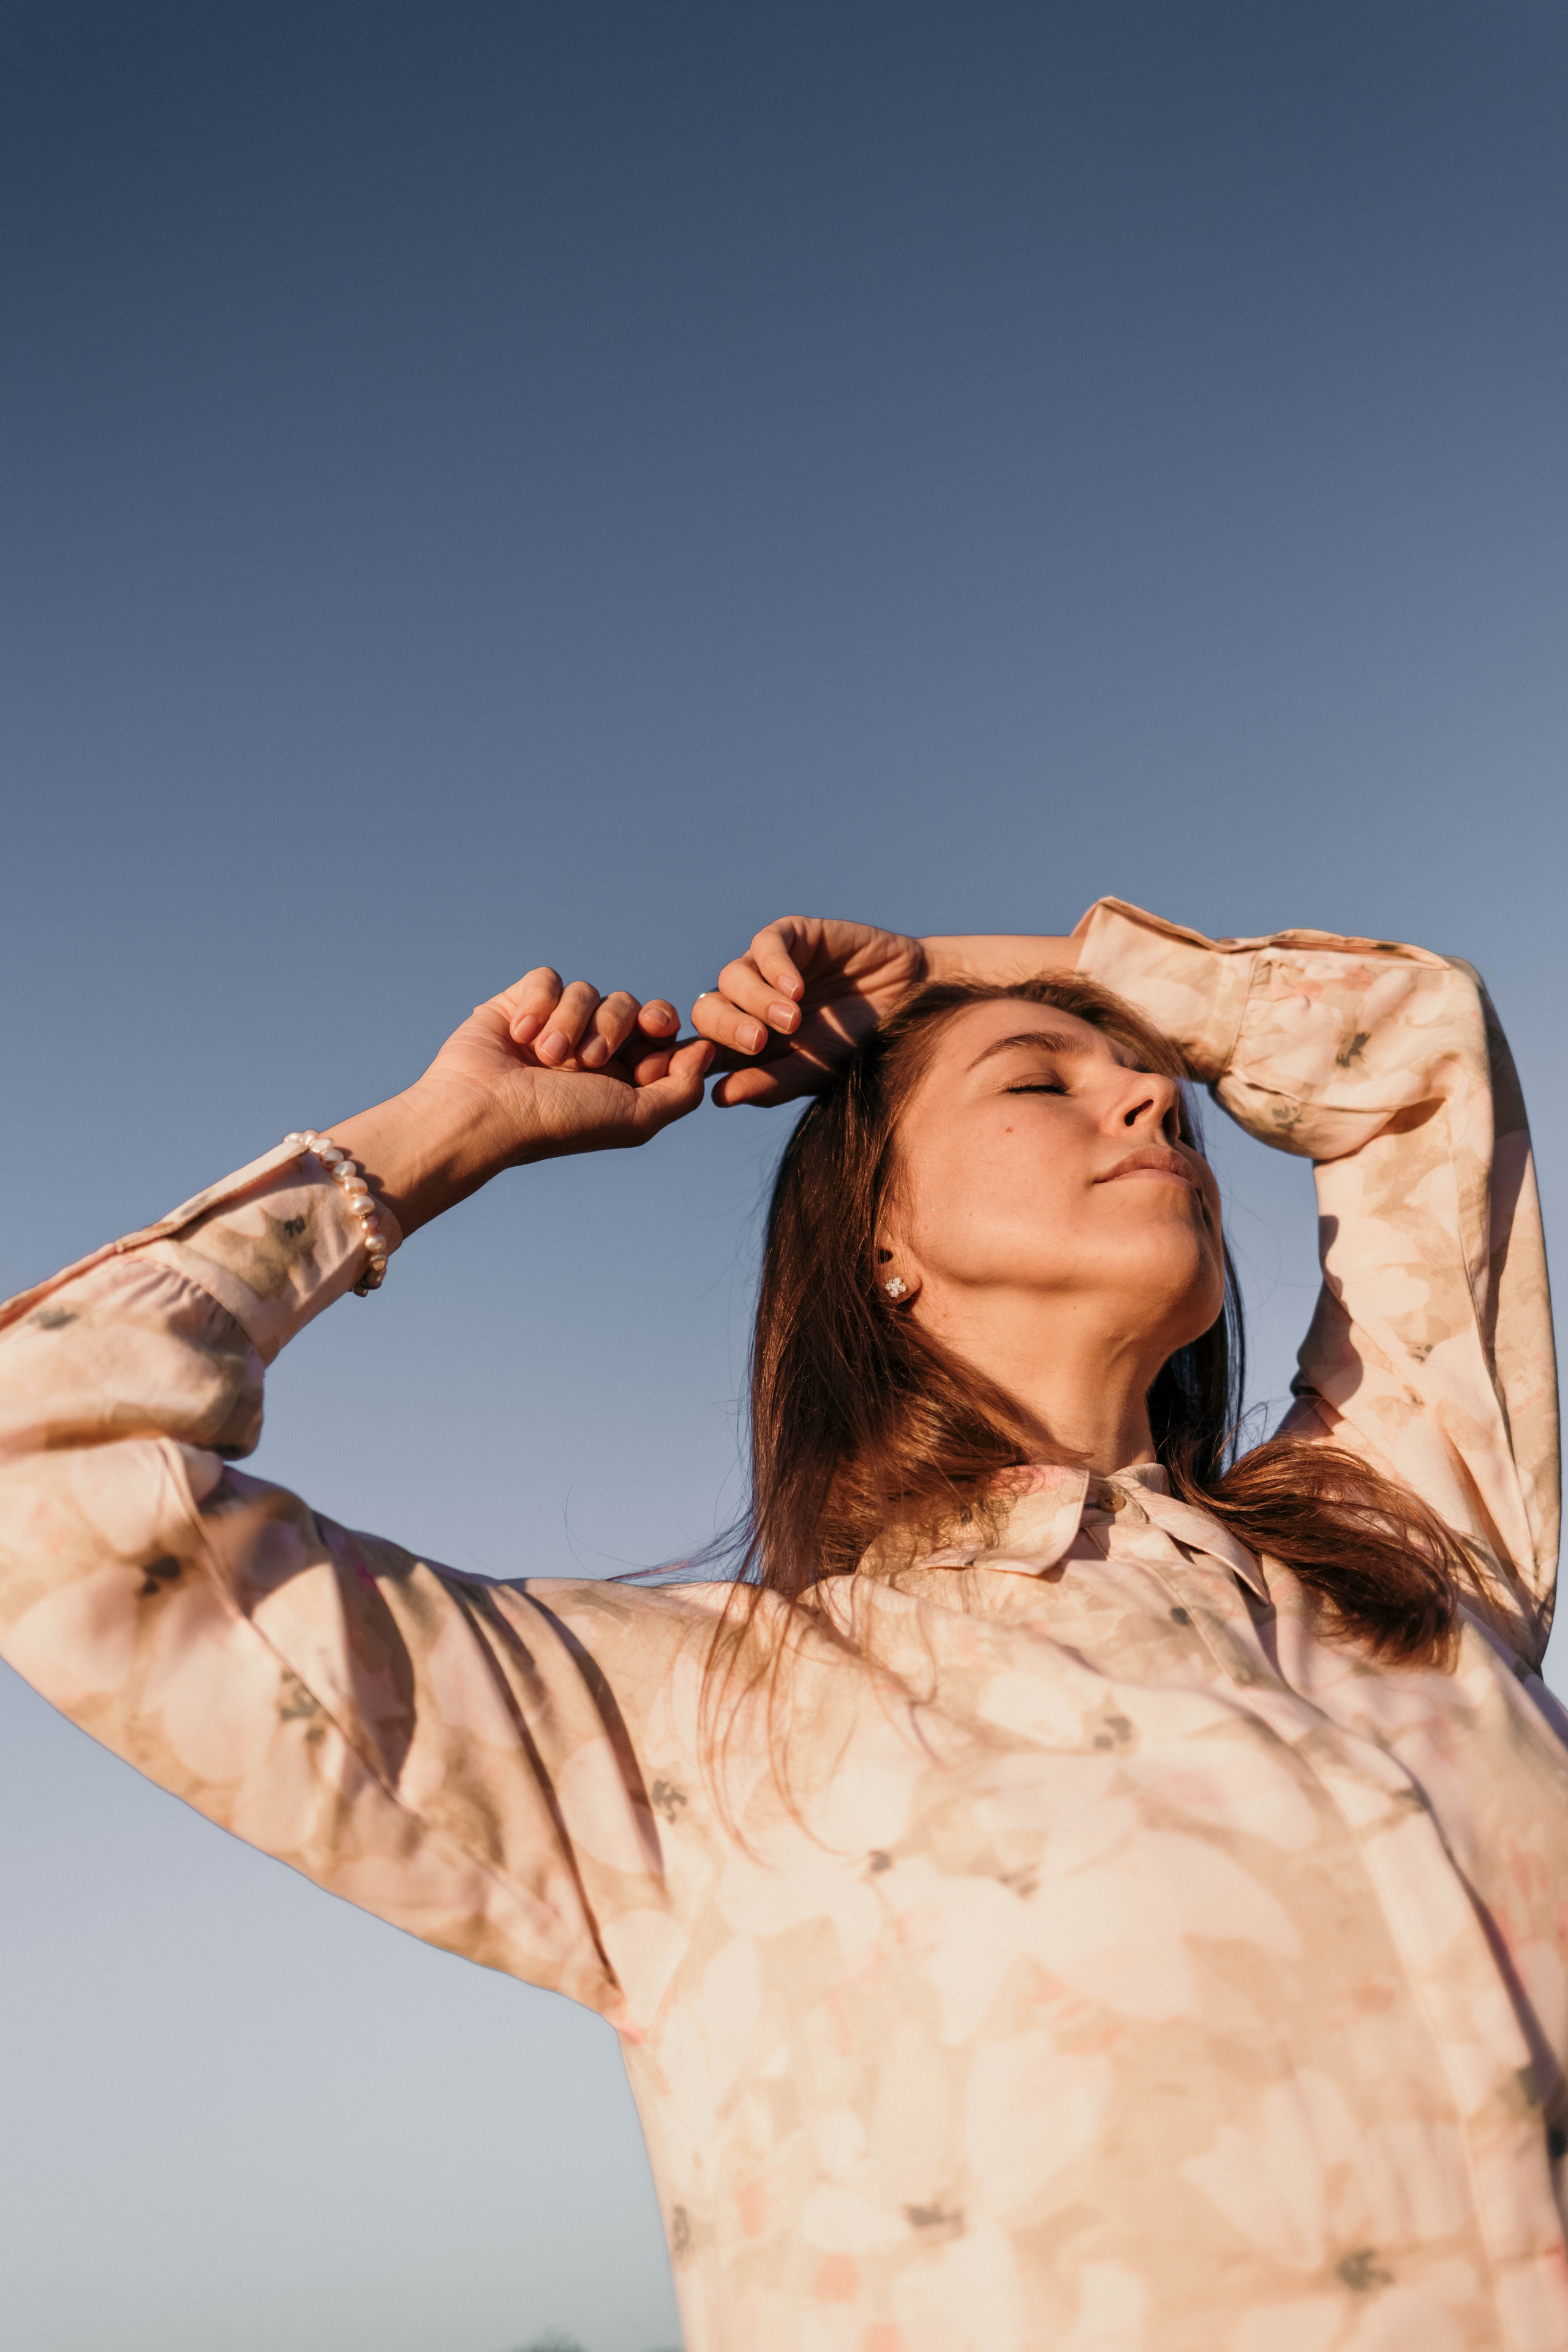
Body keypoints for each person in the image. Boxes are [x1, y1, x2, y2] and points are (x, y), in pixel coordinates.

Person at [1, 898, 1565, 2352]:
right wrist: (442, 1136)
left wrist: (942, 971)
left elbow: (1407, 1046)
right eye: (1040, 1085)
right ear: (877, 1240)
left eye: (1155, 1080)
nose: (1159, 1104)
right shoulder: (686, 1724)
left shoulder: (1401, 1548)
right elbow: (47, 1472)